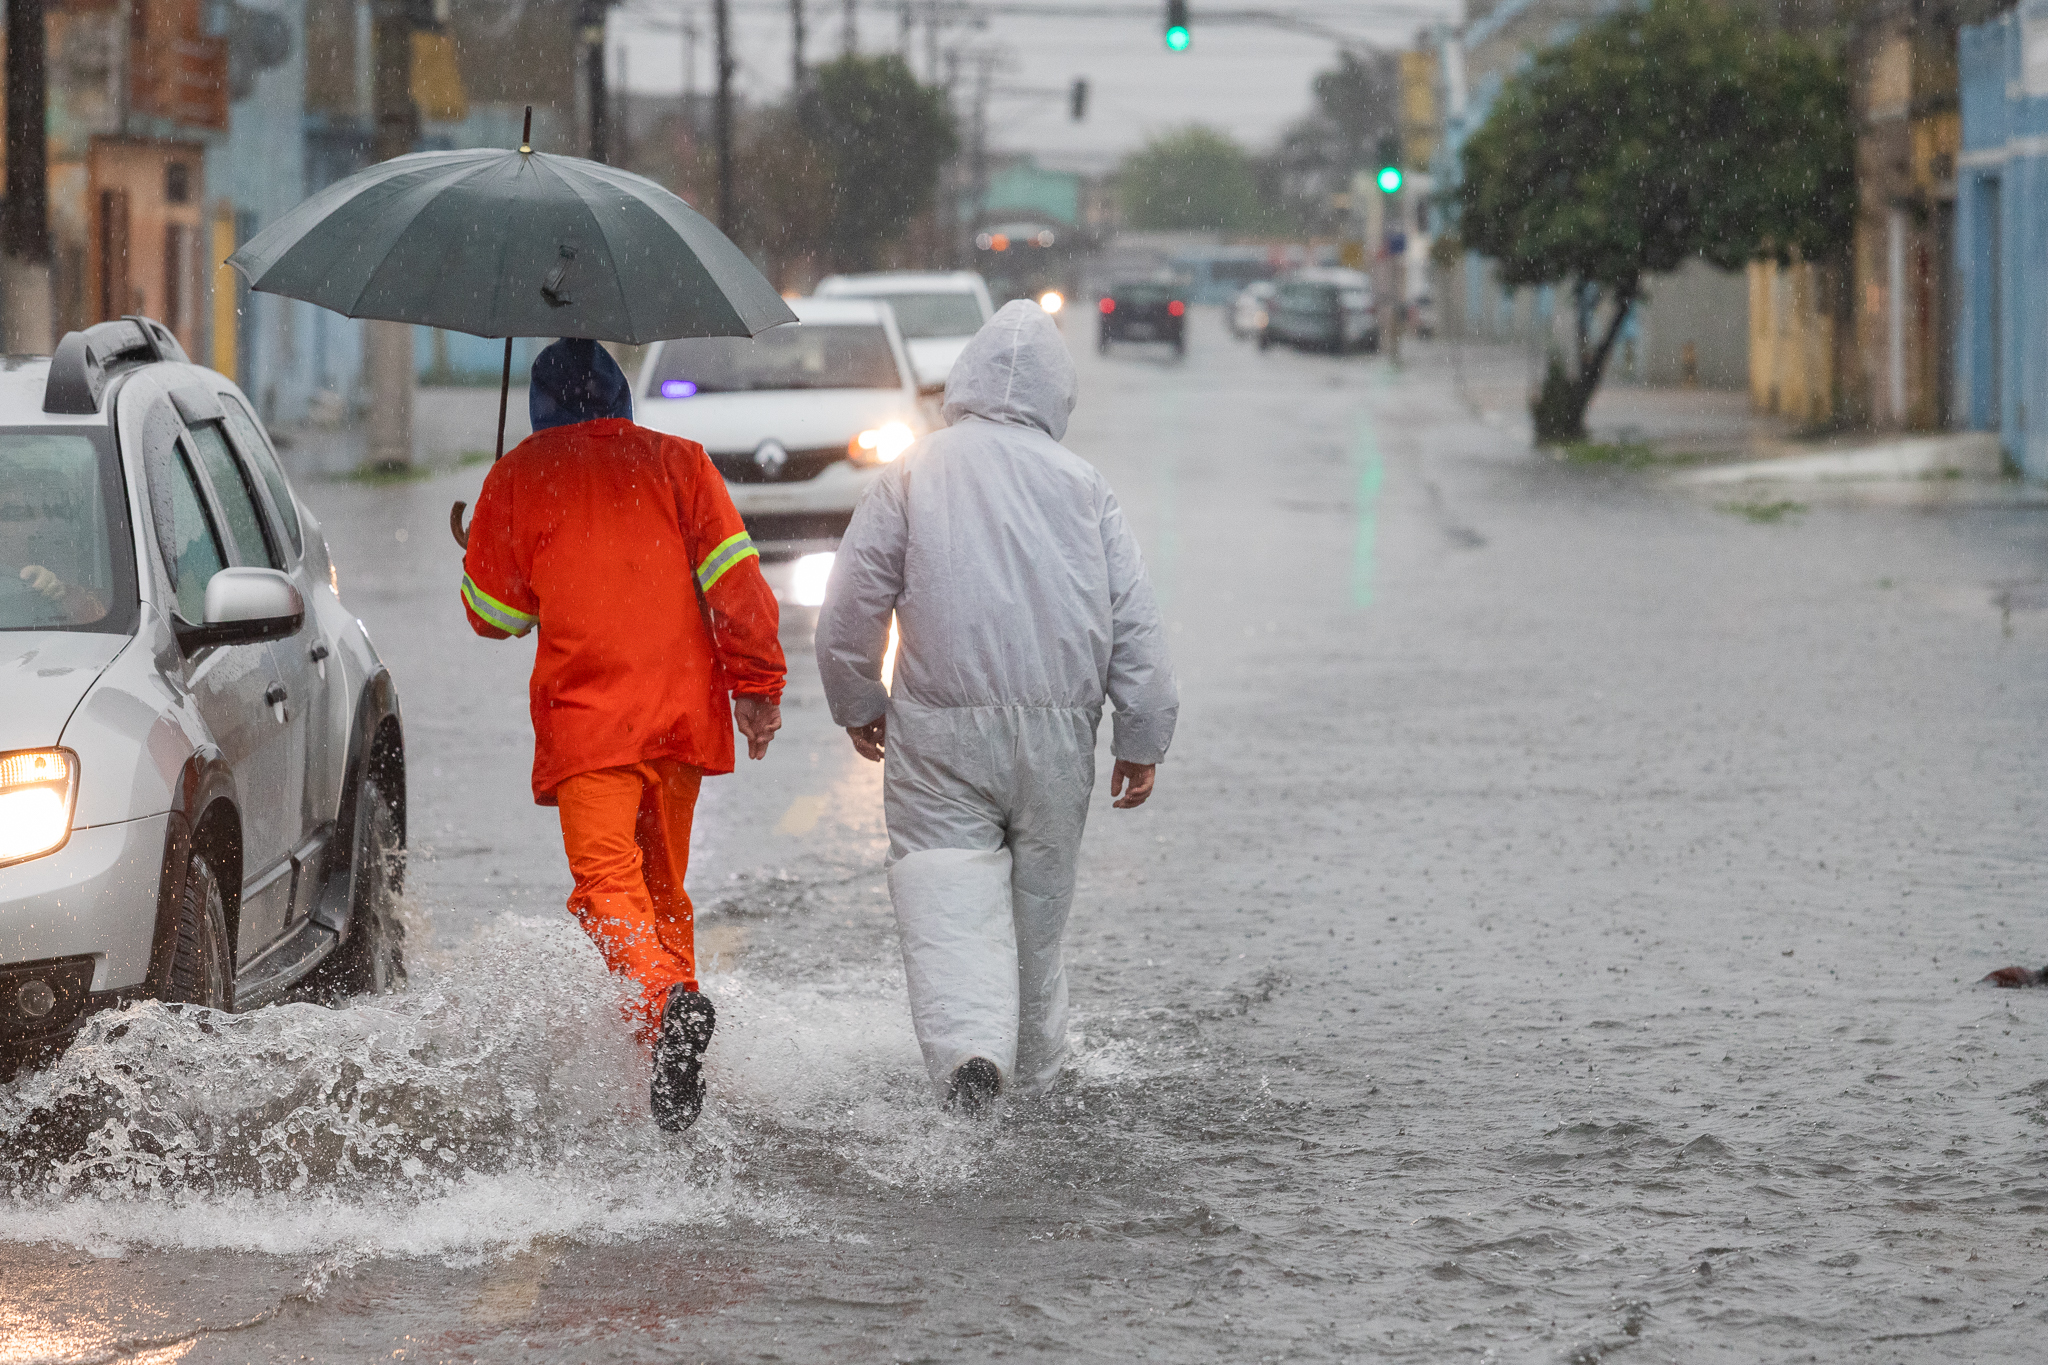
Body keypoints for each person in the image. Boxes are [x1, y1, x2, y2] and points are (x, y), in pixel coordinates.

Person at [816, 300, 1178, 1114]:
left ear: (967, 381)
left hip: (940, 729)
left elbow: (850, 604)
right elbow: (1135, 619)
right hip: (1059, 736)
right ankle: (1041, 1088)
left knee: (945, 890)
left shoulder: (915, 470)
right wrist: (1142, 733)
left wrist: (857, 697)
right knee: (1038, 921)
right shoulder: (1086, 486)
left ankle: (970, 1057)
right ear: (1060, 394)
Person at [461, 338, 785, 1132]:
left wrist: (478, 543)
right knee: (663, 890)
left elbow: (491, 616)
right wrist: (759, 686)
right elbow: (735, 581)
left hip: (591, 727)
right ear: (621, 399)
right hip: (681, 719)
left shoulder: (517, 476)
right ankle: (670, 1062)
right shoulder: (682, 462)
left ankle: (668, 1005)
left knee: (607, 887)